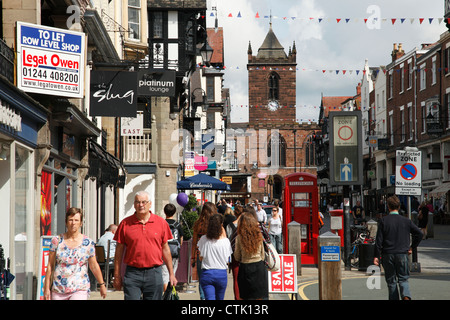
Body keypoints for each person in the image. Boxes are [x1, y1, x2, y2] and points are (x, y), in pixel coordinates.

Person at [113, 191, 177, 300]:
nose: (141, 205)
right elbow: (118, 252)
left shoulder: (161, 223)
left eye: (144, 202)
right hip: (133, 273)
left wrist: (171, 274)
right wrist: (117, 275)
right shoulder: (125, 224)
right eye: (137, 202)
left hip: (154, 273)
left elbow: (166, 250)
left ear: (150, 204)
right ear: (134, 205)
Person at [44, 208, 106, 300]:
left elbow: (94, 265)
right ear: (66, 222)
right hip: (59, 288)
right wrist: (46, 289)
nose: (73, 223)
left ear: (81, 223)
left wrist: (102, 284)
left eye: (76, 220)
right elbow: (50, 266)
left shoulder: (88, 243)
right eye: (70, 220)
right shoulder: (56, 241)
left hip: (79, 288)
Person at [373, 195, 423, 300]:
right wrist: (412, 247)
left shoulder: (383, 221)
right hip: (402, 253)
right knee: (403, 279)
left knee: (391, 281)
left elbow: (379, 241)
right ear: (399, 207)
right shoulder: (406, 221)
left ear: (388, 206)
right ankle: (406, 296)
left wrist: (376, 256)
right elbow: (419, 234)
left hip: (388, 254)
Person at [234, 211, 268, 300]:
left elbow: (237, 256)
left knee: (245, 297)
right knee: (259, 297)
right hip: (259, 268)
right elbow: (263, 255)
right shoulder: (259, 235)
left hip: (245, 269)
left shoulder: (239, 238)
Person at [197, 214, 233, 300]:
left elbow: (200, 257)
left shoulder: (203, 239)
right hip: (221, 274)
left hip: (207, 273)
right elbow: (228, 260)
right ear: (221, 225)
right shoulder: (226, 241)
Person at [191, 201, 217, 300]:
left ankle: (203, 298)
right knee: (213, 280)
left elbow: (194, 242)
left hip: (200, 254)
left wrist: (193, 257)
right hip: (214, 255)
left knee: (202, 280)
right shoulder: (216, 224)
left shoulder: (198, 224)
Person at [162, 203, 184, 291]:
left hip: (163, 252)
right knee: (172, 273)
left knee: (165, 274)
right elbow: (181, 238)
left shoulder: (162, 223)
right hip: (174, 252)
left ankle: (166, 295)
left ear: (164, 212)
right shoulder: (177, 225)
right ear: (174, 212)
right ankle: (170, 293)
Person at [227, 204, 243, 300]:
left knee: (236, 279)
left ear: (235, 213)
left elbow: (228, 240)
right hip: (244, 254)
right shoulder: (245, 225)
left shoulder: (229, 226)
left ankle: (237, 298)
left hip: (234, 254)